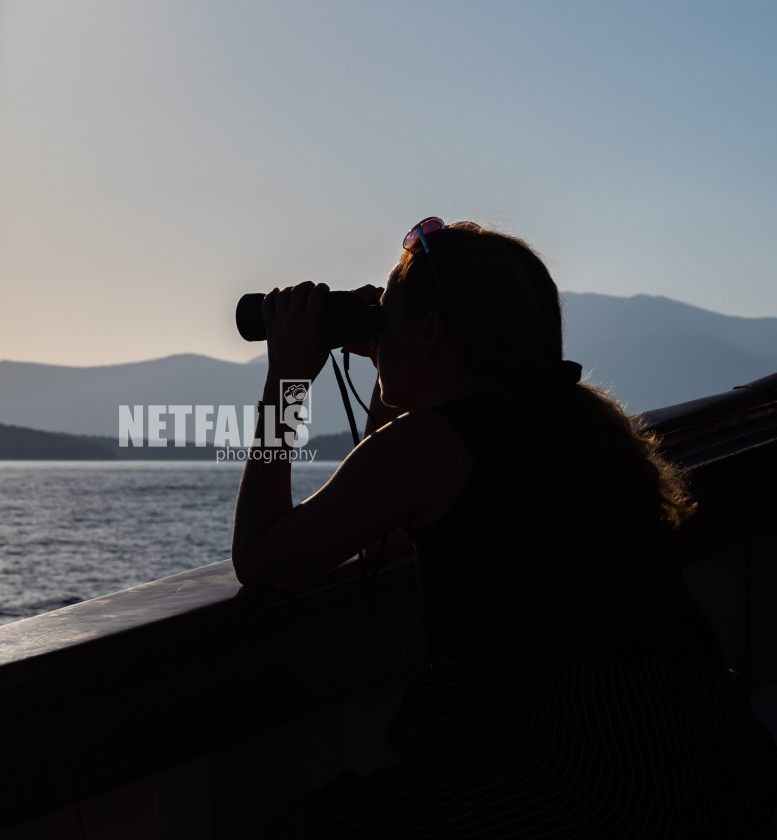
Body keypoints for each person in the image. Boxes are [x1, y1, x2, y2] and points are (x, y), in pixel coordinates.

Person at [230, 219, 777, 838]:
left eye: (388, 318)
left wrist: (286, 379)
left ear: (432, 331)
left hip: (607, 777)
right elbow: (399, 503)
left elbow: (258, 555)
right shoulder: (566, 423)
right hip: (722, 757)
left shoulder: (437, 444)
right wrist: (391, 348)